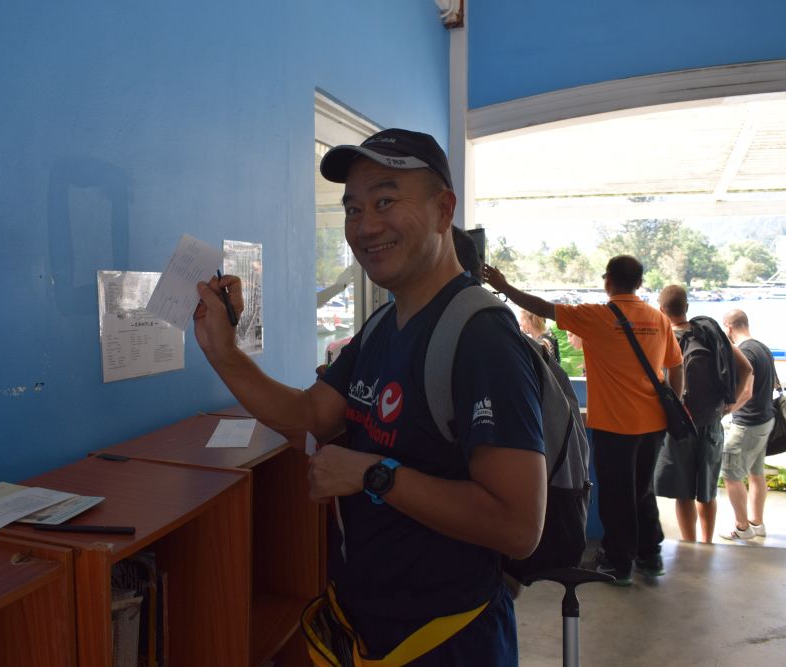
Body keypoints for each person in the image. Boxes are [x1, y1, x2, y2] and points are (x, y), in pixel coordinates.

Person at [194, 128, 547, 665]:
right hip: (366, 629)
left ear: (443, 209)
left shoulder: (482, 338)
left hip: (447, 640)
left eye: (385, 201)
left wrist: (373, 474)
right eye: (353, 209)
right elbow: (310, 416)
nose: (365, 226)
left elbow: (518, 526)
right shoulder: (384, 324)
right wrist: (222, 350)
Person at [483, 255, 683, 585]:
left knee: (617, 494)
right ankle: (651, 555)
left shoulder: (596, 316)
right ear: (639, 283)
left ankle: (618, 564)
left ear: (608, 281)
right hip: (654, 423)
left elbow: (542, 308)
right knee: (643, 489)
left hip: (615, 425)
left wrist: (503, 286)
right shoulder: (658, 319)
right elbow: (676, 365)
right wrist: (676, 399)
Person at [653, 285, 753, 543]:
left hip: (679, 426)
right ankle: (707, 543)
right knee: (707, 492)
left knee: (683, 493)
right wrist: (729, 404)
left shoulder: (663, 339)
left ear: (661, 310)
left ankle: (689, 543)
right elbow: (746, 368)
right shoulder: (710, 333)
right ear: (686, 307)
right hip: (710, 422)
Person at [720, 308, 775, 541]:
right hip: (765, 419)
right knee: (756, 473)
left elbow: (747, 391)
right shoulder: (762, 348)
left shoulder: (744, 352)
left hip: (748, 424)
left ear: (728, 327)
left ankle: (742, 528)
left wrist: (726, 410)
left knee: (730, 475)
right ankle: (757, 523)